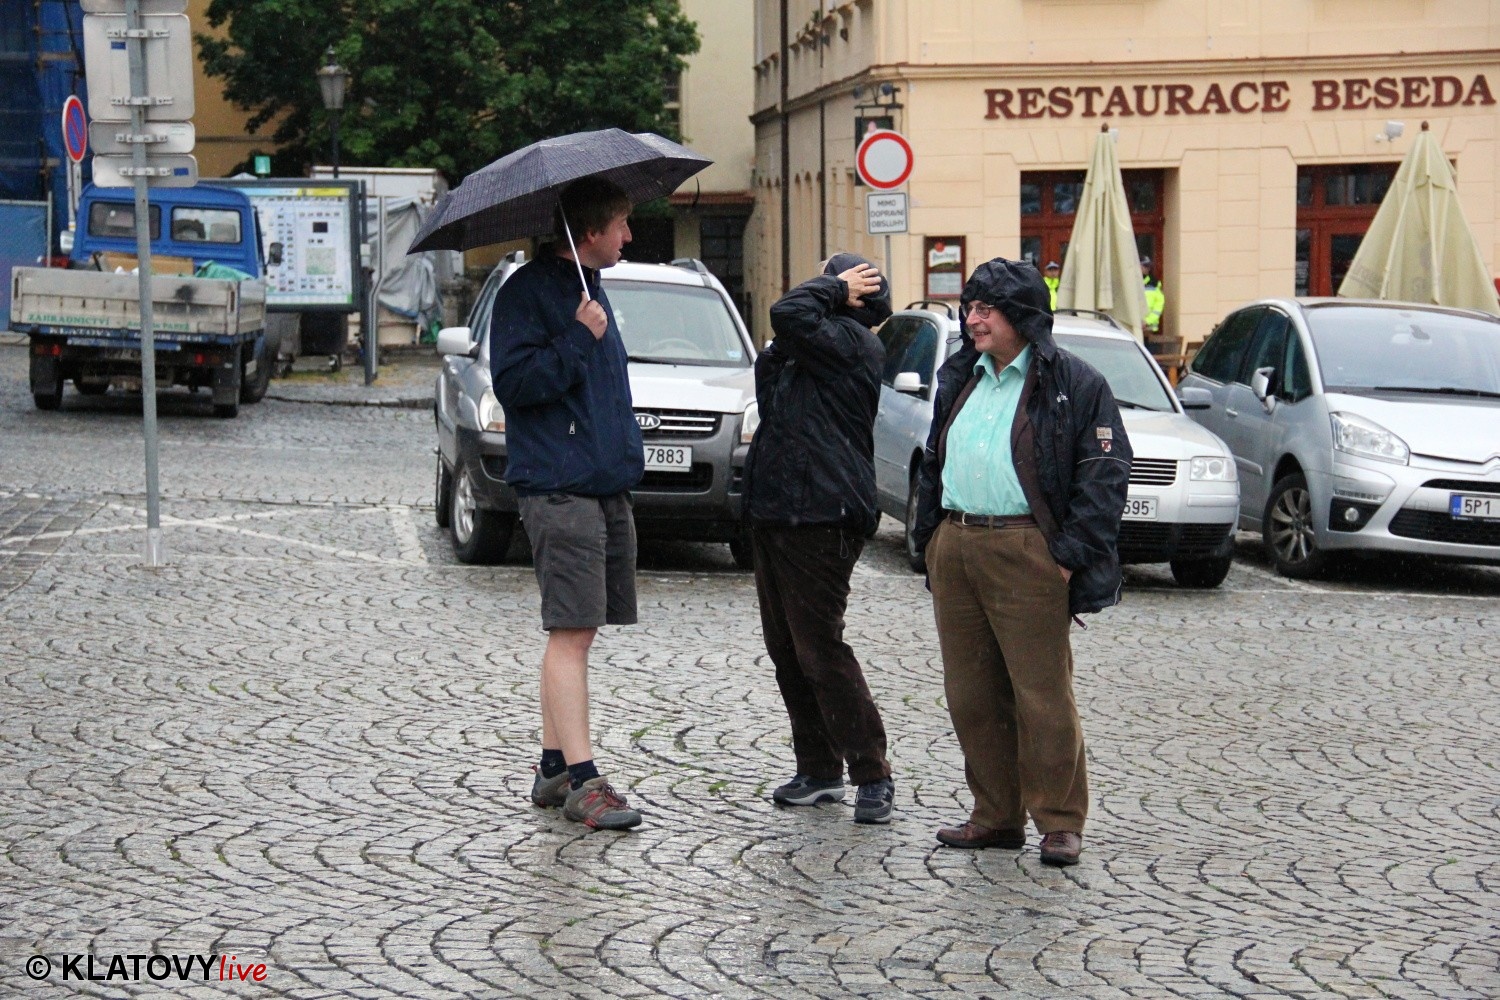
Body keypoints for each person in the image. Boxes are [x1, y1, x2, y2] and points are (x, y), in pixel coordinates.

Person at [912, 257, 1130, 866]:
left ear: (1023, 316)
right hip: (958, 544)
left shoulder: (1074, 381)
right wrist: (930, 542)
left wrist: (1067, 558)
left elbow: (1105, 474)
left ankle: (1059, 820)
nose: (973, 319)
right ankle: (995, 816)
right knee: (971, 695)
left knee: (1041, 695)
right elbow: (935, 459)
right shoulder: (963, 373)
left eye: (987, 309)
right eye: (970, 308)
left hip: (1027, 551)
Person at [489, 175, 646, 832]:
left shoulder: (592, 288)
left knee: (582, 628)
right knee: (572, 631)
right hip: (560, 485)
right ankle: (584, 781)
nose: (629, 236)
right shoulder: (527, 293)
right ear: (589, 232)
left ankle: (554, 767)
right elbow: (516, 384)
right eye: (621, 224)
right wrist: (579, 337)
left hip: (601, 483)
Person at [744, 253, 897, 825]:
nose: (814, 279)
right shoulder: (806, 348)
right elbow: (774, 370)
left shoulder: (854, 345)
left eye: (829, 274)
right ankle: (819, 769)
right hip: (778, 511)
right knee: (787, 650)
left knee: (820, 650)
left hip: (823, 514)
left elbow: (788, 311)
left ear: (851, 294)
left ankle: (872, 774)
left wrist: (832, 287)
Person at [1141, 256, 1164, 338]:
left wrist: (1147, 321)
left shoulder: (1154, 282)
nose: (1148, 268)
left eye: (1149, 266)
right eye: (1145, 266)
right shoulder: (1129, 281)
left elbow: (1158, 306)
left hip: (1149, 330)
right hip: (1131, 328)